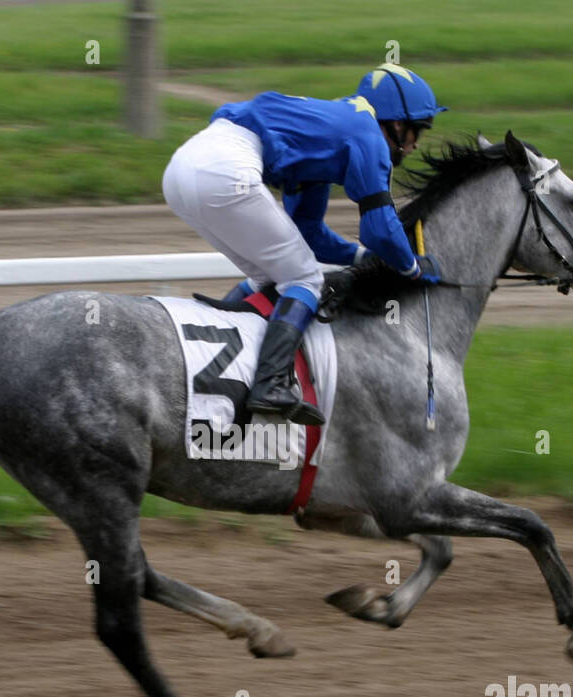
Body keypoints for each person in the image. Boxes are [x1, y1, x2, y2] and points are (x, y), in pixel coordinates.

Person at [162, 63, 447, 426]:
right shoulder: (367, 134)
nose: (415, 144)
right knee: (305, 281)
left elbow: (308, 235)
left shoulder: (326, 132)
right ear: (395, 123)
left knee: (271, 273)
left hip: (182, 171)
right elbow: (380, 229)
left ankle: (215, 358)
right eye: (416, 130)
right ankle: (270, 384)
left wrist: (362, 257)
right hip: (225, 169)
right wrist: (412, 266)